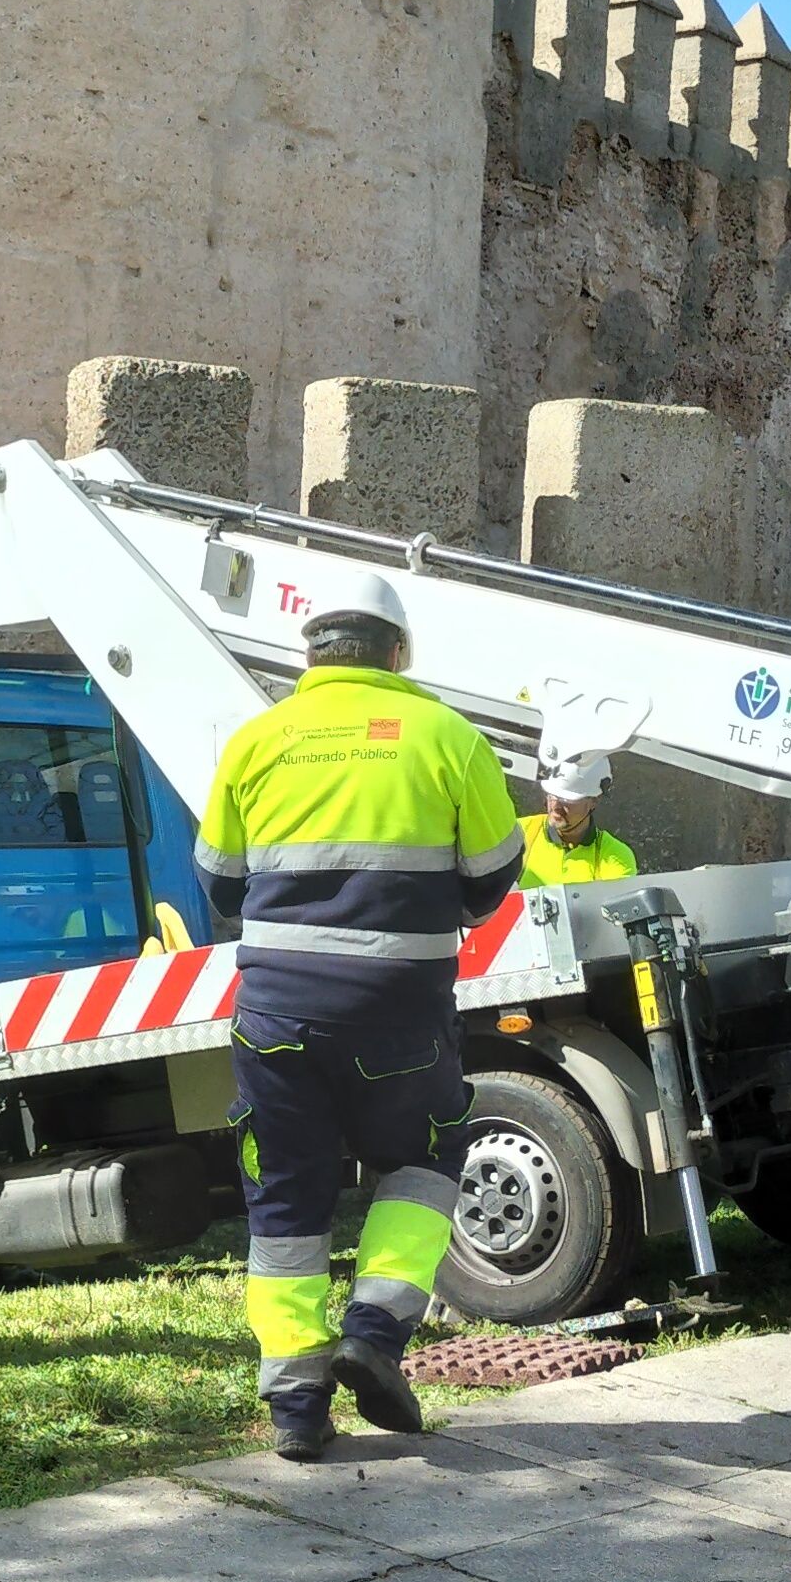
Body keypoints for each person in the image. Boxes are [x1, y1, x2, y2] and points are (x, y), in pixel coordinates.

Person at [195, 566, 523, 1461]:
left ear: (312, 652)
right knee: (426, 1156)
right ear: (397, 651)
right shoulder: (444, 734)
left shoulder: (256, 739)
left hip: (274, 1011)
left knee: (288, 1197)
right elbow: (495, 874)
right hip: (398, 1009)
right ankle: (374, 1332)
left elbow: (221, 881)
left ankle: (296, 1406)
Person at [516, 753, 638, 888]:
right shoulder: (519, 833)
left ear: (594, 801)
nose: (555, 805)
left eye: (567, 800)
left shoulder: (616, 856)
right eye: (552, 795)